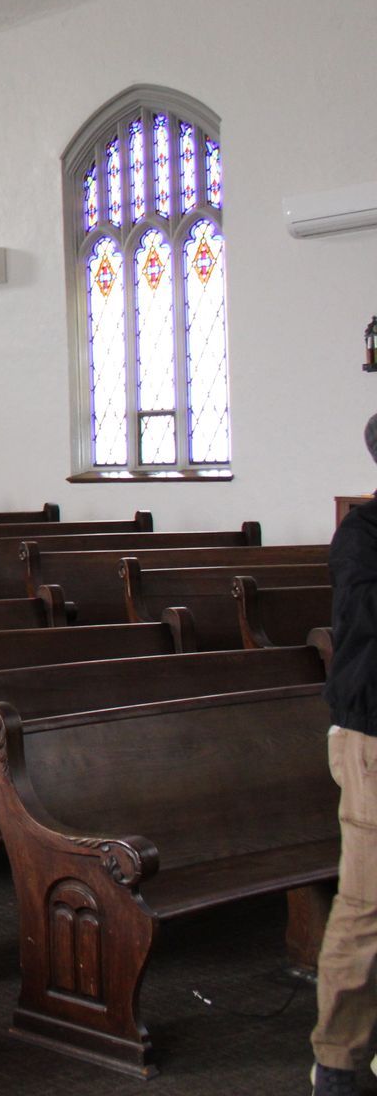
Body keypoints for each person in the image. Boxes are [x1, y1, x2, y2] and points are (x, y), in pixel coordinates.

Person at [314, 414, 377, 1094]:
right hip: (372, 737)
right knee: (367, 903)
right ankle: (338, 1059)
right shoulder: (362, 536)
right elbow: (366, 624)